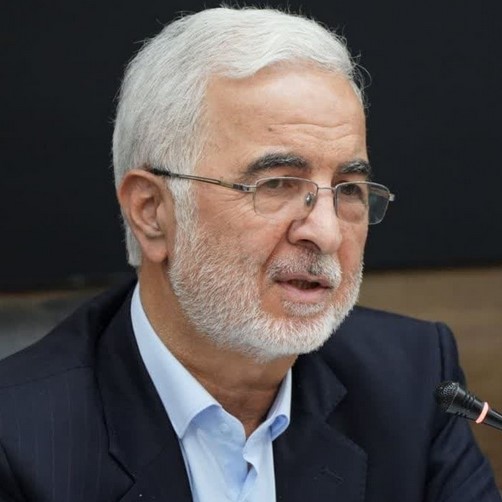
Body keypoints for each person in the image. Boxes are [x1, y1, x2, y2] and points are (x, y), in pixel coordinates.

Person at [0, 6, 499, 502]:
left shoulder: (412, 381)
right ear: (152, 212)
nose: (326, 233)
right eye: (277, 184)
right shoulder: (20, 442)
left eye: (349, 188)